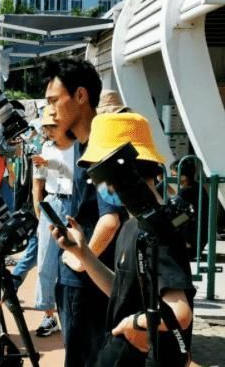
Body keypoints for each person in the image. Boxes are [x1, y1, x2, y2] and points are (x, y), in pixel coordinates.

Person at [54, 112, 194, 367]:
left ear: (119, 171)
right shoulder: (131, 226)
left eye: (98, 175)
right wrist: (83, 253)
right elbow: (122, 292)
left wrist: (134, 324)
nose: (99, 186)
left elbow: (180, 313)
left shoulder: (157, 231)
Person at [43, 58, 124, 366]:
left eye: (54, 100)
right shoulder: (81, 142)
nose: (50, 109)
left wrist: (80, 261)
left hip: (88, 284)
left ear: (80, 96)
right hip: (83, 278)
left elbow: (110, 218)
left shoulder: (99, 147)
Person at [29, 105, 74, 337]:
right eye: (46, 126)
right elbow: (38, 179)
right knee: (45, 260)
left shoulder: (79, 147)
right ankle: (48, 314)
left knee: (75, 261)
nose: (47, 130)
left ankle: (71, 314)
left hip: (74, 203)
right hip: (52, 202)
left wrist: (51, 165)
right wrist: (39, 209)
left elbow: (74, 174)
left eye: (52, 125)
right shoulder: (45, 147)